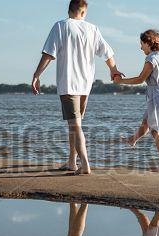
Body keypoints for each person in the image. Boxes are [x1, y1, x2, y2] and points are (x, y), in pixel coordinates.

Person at [32, 0, 123, 175]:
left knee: (75, 126)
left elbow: (48, 55)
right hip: (85, 85)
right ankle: (72, 162)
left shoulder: (60, 26)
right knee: (74, 124)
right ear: (83, 12)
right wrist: (113, 70)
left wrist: (37, 75)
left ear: (69, 10)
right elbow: (108, 53)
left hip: (69, 85)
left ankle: (85, 165)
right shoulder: (92, 28)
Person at [114, 29, 159, 173]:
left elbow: (140, 79)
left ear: (148, 43)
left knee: (156, 131)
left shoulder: (151, 59)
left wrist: (120, 81)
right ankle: (132, 140)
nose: (140, 47)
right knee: (146, 122)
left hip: (158, 97)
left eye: (142, 44)